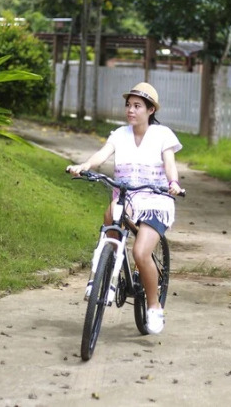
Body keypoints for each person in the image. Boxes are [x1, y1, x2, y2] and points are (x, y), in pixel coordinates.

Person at [66, 82, 183, 334]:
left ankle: (154, 306)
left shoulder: (163, 135)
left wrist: (173, 183)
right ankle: (105, 269)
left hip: (155, 201)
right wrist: (84, 166)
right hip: (127, 199)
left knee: (140, 253)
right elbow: (101, 155)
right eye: (128, 105)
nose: (131, 110)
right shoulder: (119, 134)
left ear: (151, 110)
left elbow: (170, 164)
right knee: (110, 214)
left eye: (137, 106)